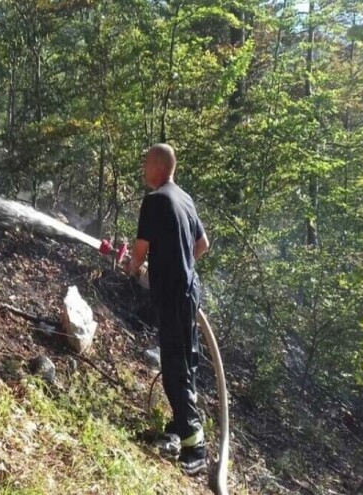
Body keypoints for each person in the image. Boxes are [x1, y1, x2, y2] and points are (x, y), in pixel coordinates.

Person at [124, 143, 210, 475]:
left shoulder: (155, 200)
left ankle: (195, 445)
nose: (144, 168)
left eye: (146, 163)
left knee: (175, 365)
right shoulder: (183, 198)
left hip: (175, 295)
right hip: (189, 292)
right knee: (185, 359)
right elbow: (202, 245)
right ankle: (179, 424)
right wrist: (182, 266)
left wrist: (133, 267)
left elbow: (140, 251)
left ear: (159, 167)